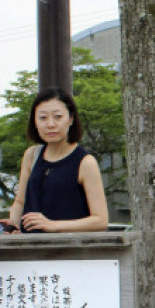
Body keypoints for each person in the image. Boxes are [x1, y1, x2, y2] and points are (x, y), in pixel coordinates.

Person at [2, 88, 108, 234]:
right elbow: (20, 202)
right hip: (31, 252)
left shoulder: (85, 162)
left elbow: (100, 220)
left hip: (70, 252)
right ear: (35, 121)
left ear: (70, 119)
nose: (50, 124)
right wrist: (13, 224)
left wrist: (52, 225)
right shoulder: (32, 155)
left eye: (58, 117)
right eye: (43, 118)